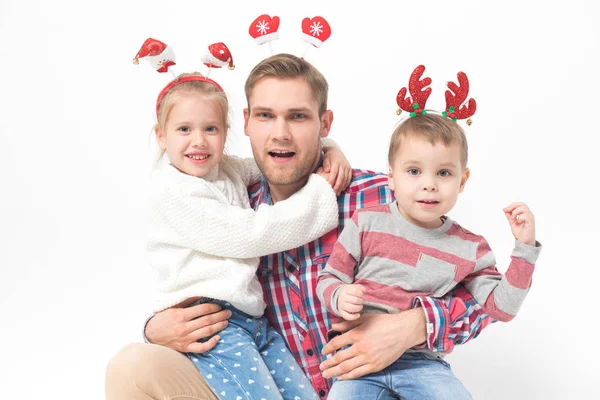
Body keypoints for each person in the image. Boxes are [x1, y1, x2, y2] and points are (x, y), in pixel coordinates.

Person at [106, 55, 496, 400]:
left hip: (374, 386)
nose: (280, 133)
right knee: (133, 367)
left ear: (323, 123)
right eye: (265, 116)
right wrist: (160, 327)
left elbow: (485, 293)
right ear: (245, 123)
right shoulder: (235, 204)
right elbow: (198, 271)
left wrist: (414, 325)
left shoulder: (385, 200)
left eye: (298, 116)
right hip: (256, 379)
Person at [143, 70, 355, 399]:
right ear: (161, 136)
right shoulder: (173, 190)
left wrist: (328, 148)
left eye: (210, 129)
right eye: (184, 129)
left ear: (227, 133)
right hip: (213, 324)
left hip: (252, 320)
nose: (198, 140)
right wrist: (320, 194)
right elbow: (250, 234)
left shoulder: (223, 170)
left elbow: (273, 161)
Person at [317, 107, 541, 398]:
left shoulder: (469, 247)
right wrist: (338, 295)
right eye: (413, 171)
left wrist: (524, 249)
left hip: (423, 364)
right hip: (357, 357)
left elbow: (502, 309)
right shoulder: (366, 222)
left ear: (462, 181)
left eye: (444, 173)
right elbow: (329, 278)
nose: (429, 184)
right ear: (392, 178)